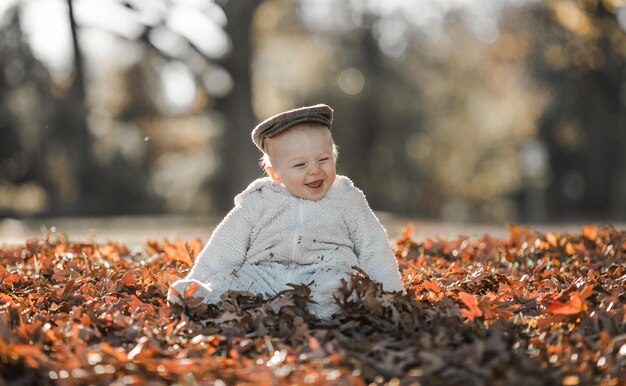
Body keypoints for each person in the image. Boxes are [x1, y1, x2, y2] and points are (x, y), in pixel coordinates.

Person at [167, 104, 404, 319]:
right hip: (263, 275)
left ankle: (323, 309)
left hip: (323, 271)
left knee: (339, 284)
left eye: (323, 159)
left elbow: (374, 246)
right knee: (230, 281)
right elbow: (224, 246)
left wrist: (392, 294)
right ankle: (199, 296)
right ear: (275, 174)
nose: (314, 171)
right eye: (300, 165)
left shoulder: (347, 198)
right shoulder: (259, 201)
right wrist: (197, 279)